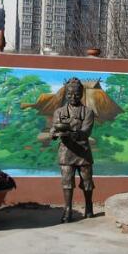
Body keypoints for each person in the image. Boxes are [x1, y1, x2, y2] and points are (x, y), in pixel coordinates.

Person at [50, 78, 95, 223]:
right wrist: (53, 134)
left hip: (83, 152)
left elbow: (86, 131)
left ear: (81, 94)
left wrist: (74, 134)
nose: (73, 97)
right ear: (66, 94)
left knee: (87, 182)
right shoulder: (59, 112)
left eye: (76, 94)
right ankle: (68, 209)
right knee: (67, 182)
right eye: (69, 94)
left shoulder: (88, 112)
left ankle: (89, 205)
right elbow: (54, 127)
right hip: (66, 152)